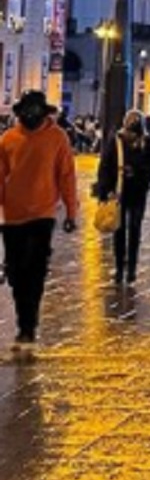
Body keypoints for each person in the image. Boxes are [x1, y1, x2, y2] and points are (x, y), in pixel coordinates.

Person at [0, 90, 78, 357]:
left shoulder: (57, 138)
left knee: (34, 271)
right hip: (13, 216)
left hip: (42, 215)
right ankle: (24, 318)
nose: (30, 115)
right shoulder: (8, 140)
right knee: (16, 273)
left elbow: (66, 175)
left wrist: (71, 211)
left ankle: (28, 326)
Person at [96, 110, 150, 285]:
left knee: (135, 228)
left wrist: (139, 174)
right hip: (119, 192)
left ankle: (131, 268)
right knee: (119, 229)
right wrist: (106, 190)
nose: (131, 135)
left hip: (138, 191)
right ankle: (119, 267)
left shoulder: (147, 143)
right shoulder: (116, 141)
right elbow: (105, 166)